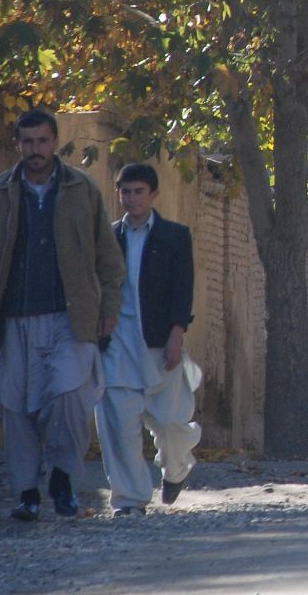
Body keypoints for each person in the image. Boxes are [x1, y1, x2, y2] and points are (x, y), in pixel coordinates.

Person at [0, 110, 124, 520]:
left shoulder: (82, 189)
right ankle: (28, 492)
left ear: (54, 142)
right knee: (16, 407)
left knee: (68, 398)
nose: (35, 150)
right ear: (18, 145)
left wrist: (109, 309)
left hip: (72, 316)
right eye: (27, 142)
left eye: (42, 141)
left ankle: (63, 479)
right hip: (15, 318)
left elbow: (108, 259)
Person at [96, 163, 202, 515]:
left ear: (153, 194)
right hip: (117, 346)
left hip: (159, 343)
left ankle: (176, 470)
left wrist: (177, 333)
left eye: (139, 191)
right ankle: (129, 499)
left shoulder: (174, 237)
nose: (131, 198)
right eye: (125, 192)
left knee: (171, 423)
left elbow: (181, 289)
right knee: (117, 423)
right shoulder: (108, 238)